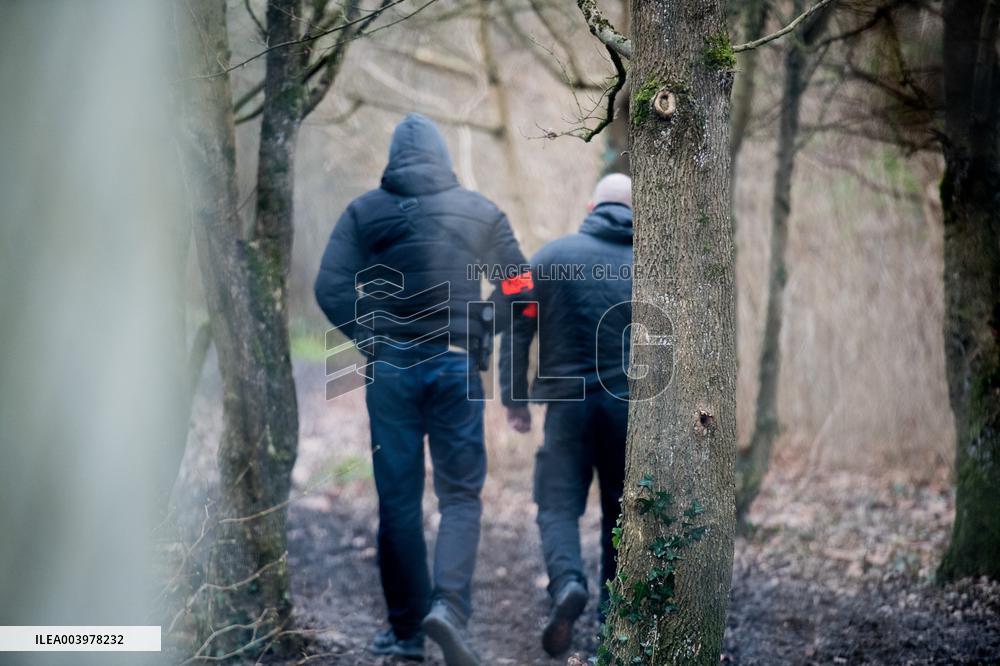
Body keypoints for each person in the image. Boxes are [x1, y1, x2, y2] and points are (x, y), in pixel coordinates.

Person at [315, 113, 527, 666]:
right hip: (456, 366)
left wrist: (371, 338)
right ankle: (449, 610)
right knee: (460, 496)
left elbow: (329, 285)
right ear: (444, 158)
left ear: (393, 158)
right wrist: (484, 328)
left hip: (391, 373)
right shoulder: (480, 211)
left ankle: (406, 634)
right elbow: (524, 289)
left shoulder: (365, 211)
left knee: (399, 502)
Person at [499, 173, 633, 657]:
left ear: (593, 205)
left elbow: (517, 326)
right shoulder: (654, 266)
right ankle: (614, 623)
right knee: (622, 512)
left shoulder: (552, 258)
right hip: (628, 415)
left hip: (566, 411)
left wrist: (515, 398)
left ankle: (568, 584)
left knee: (557, 505)